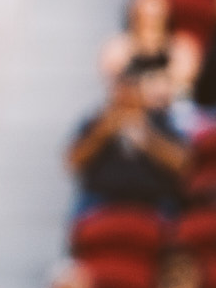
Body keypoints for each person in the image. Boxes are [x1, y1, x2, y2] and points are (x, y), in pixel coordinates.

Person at [68, 73, 188, 214]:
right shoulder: (96, 120)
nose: (125, 96)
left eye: (130, 90)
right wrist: (102, 134)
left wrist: (149, 140)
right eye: (120, 90)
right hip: (102, 197)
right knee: (79, 214)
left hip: (153, 198)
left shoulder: (160, 119)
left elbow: (183, 165)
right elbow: (73, 162)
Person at [100, 0, 201, 101]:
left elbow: (182, 89)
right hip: (132, 111)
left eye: (155, 18)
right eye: (145, 17)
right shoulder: (117, 48)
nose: (150, 22)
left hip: (170, 112)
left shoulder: (181, 49)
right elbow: (115, 87)